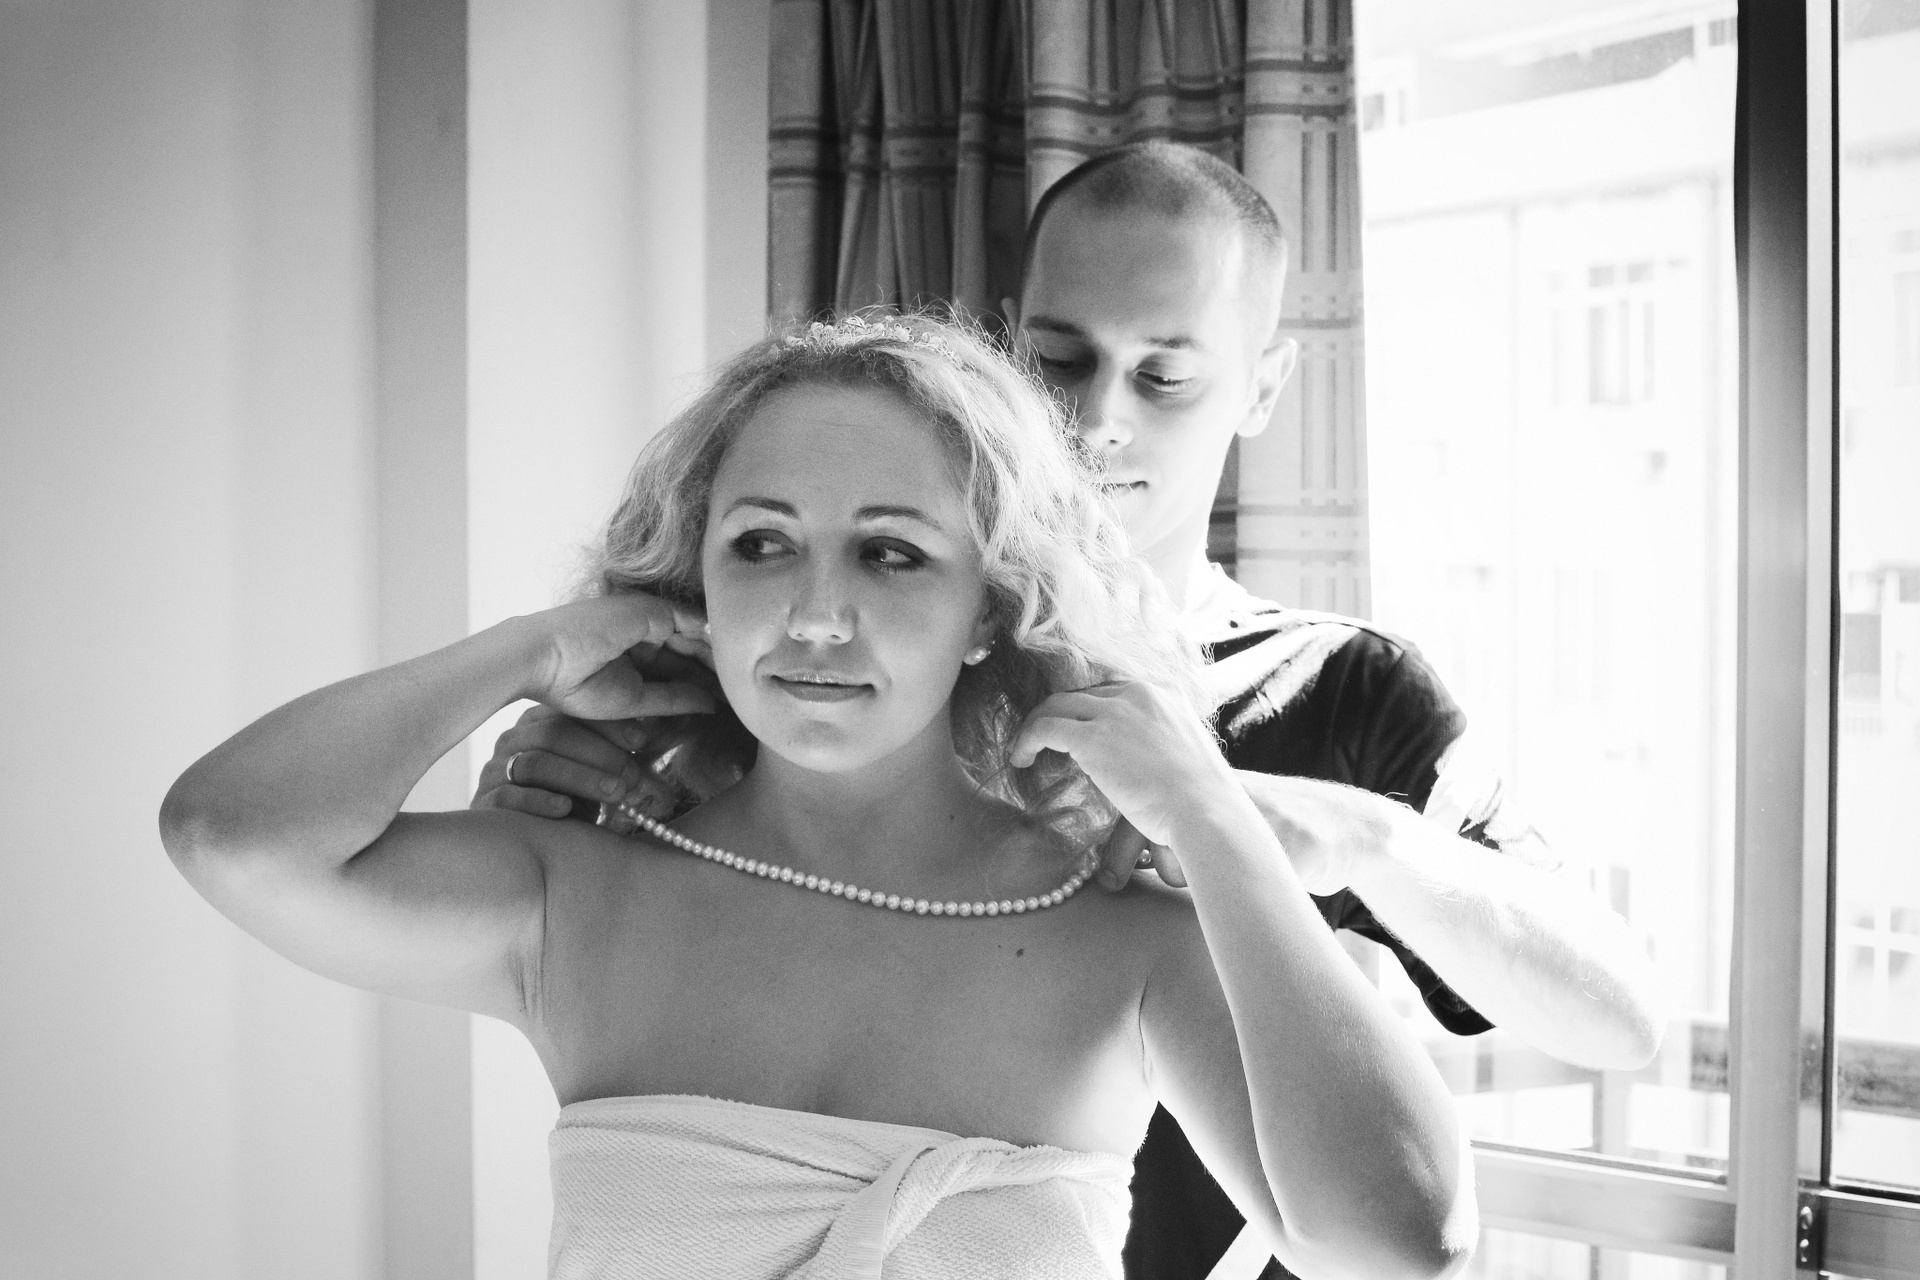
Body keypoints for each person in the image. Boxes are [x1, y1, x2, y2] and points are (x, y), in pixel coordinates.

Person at [474, 143, 1666, 1280]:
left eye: (1166, 374)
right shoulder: (809, 669)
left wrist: (1356, 836)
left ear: (1263, 383)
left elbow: (1619, 1020)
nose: (1098, 420)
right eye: (1058, 357)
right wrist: (545, 794)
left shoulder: (1350, 686)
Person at [160, 315, 1475, 1280]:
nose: (814, 615)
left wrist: (1209, 814)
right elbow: (229, 834)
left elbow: (1401, 1237)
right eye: (762, 544)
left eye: (891, 553)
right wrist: (531, 649)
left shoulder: (1125, 936)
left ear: (989, 609)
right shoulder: (577, 892)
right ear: (696, 581)